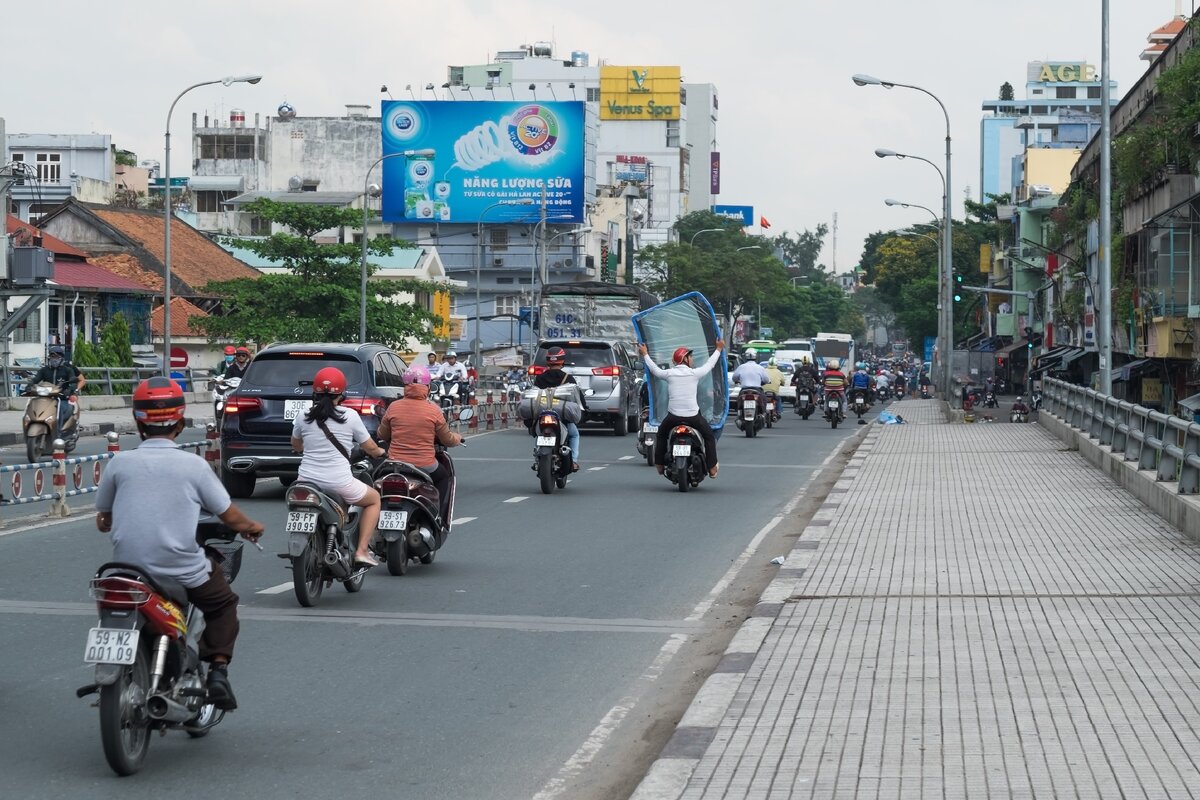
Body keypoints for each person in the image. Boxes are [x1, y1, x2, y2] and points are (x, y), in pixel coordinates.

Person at [95, 377, 264, 710]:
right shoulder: (194, 466)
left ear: (137, 421)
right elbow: (229, 515)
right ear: (181, 421)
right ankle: (217, 672)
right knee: (223, 604)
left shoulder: (119, 464)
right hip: (179, 569)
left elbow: (104, 519)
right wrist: (252, 526)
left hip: (126, 571)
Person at [290, 367, 387, 567]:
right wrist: (379, 452)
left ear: (315, 392)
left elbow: (296, 445)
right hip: (339, 483)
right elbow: (369, 446)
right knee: (374, 500)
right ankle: (361, 551)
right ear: (341, 393)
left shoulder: (303, 415)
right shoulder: (350, 416)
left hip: (305, 482)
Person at [377, 365, 464, 522]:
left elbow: (382, 434)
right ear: (428, 387)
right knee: (444, 477)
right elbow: (447, 440)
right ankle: (439, 518)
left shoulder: (393, 407)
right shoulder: (434, 411)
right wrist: (457, 438)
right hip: (425, 465)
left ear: (406, 386)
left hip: (394, 463)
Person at [639, 340, 725, 479]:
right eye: (690, 357)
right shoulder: (694, 373)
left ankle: (659, 465)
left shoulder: (669, 374)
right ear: (685, 359)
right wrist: (719, 349)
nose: (692, 360)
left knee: (661, 435)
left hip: (673, 417)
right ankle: (712, 468)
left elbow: (654, 370)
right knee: (709, 436)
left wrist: (645, 354)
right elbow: (710, 364)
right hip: (693, 417)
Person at [531, 346, 585, 470]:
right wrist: (584, 408)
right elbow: (579, 398)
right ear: (562, 361)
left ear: (548, 361)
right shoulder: (568, 378)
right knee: (574, 435)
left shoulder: (540, 378)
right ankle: (574, 461)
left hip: (543, 414)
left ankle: (537, 457)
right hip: (562, 416)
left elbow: (533, 396)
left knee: (539, 434)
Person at [26, 344, 86, 433]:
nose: (55, 359)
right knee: (33, 405)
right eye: (52, 356)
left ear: (62, 358)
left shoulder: (68, 369)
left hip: (61, 398)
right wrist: (29, 386)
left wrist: (70, 390)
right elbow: (36, 379)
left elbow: (75, 382)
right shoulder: (44, 370)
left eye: (57, 356)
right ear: (49, 357)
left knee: (60, 408)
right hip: (46, 398)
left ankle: (58, 431)